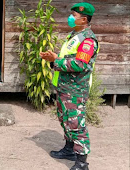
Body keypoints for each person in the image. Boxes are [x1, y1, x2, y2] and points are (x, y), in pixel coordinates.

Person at [40, 2, 99, 170]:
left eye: (74, 16)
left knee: (77, 124)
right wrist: (55, 57)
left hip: (76, 90)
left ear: (84, 19)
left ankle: (82, 162)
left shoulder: (88, 40)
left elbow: (80, 64)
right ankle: (69, 149)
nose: (71, 18)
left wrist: (56, 61)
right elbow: (70, 58)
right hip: (65, 88)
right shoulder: (75, 35)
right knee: (65, 120)